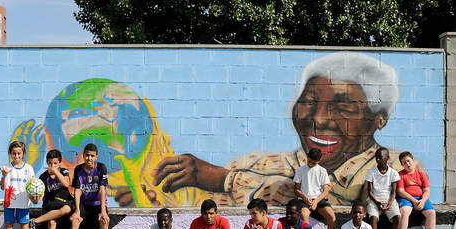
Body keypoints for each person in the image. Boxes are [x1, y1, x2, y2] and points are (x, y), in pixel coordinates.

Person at [150, 52, 406, 207]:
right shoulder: (257, 162)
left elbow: (340, 198)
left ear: (379, 120)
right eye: (309, 101)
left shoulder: (395, 163)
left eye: (343, 106)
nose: (318, 118)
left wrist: (226, 179)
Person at [67, 143, 111, 229]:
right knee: (75, 221)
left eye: (92, 156)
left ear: (96, 157)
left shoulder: (101, 168)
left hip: (98, 204)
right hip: (84, 204)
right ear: (83, 156)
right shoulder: (78, 169)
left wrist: (103, 211)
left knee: (104, 221)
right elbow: (77, 190)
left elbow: (102, 189)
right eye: (87, 155)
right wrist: (77, 210)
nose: (89, 158)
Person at [28, 149, 74, 229]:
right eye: (49, 163)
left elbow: (66, 184)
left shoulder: (64, 171)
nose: (52, 166)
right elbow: (39, 199)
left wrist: (56, 172)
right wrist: (33, 197)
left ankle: (35, 221)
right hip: (50, 204)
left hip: (63, 202)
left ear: (59, 163)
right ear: (47, 163)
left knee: (66, 209)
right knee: (52, 223)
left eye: (55, 163)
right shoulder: (43, 177)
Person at [293, 147, 337, 229]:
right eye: (309, 161)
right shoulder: (300, 170)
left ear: (319, 161)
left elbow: (325, 191)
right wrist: (305, 197)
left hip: (319, 199)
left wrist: (316, 202)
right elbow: (296, 190)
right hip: (304, 199)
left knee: (332, 217)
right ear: (307, 158)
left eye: (314, 163)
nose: (311, 164)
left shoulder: (322, 171)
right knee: (304, 215)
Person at [0, 140, 35, 229]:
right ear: (10, 154)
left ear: (23, 153)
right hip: (9, 205)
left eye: (19, 153)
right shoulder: (6, 168)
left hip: (24, 205)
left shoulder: (28, 168)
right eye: (14, 153)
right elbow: (2, 187)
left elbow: (33, 186)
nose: (17, 156)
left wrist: (36, 196)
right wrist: (3, 176)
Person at [396, 151, 437, 229]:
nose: (407, 164)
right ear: (402, 165)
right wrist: (414, 201)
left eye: (408, 161)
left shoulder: (421, 174)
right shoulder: (400, 175)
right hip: (406, 198)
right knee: (404, 212)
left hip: (420, 198)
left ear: (413, 160)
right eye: (404, 163)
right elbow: (400, 191)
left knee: (431, 213)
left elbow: (427, 190)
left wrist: (422, 201)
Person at [364, 147, 401, 229]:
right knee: (373, 219)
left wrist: (389, 203)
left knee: (397, 218)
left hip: (389, 200)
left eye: (381, 157)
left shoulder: (393, 173)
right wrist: (377, 202)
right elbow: (370, 192)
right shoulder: (371, 172)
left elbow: (394, 193)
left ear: (387, 158)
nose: (378, 159)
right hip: (374, 200)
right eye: (377, 157)